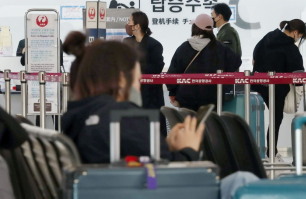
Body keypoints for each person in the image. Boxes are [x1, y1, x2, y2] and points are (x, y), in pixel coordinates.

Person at [61, 34, 205, 164]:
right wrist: (188, 150)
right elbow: (164, 178)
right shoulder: (122, 117)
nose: (139, 86)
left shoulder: (75, 117)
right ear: (122, 80)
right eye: (137, 79)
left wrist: (164, 147)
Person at [251, 20, 305, 161]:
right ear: (295, 33)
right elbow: (297, 71)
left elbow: (255, 57)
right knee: (275, 120)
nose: (297, 39)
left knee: (256, 119)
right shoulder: (290, 48)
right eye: (299, 36)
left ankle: (260, 153)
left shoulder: (267, 37)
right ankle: (271, 154)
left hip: (257, 85)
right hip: (277, 88)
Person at [167, 14, 242, 111]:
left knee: (190, 125)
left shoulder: (184, 48)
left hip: (187, 98)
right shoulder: (220, 48)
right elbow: (236, 62)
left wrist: (172, 92)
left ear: (195, 28)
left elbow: (172, 73)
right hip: (213, 98)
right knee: (211, 125)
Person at [123, 11, 165, 111]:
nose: (127, 24)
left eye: (129, 21)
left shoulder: (154, 45)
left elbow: (156, 67)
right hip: (131, 91)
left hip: (150, 94)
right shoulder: (126, 42)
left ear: (137, 26)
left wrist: (135, 68)